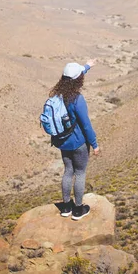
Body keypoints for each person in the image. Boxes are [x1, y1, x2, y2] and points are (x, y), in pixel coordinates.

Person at [49, 59, 99, 220]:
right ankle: (78, 209)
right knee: (80, 173)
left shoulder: (58, 95)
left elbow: (73, 76)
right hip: (78, 143)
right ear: (79, 80)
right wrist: (95, 144)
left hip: (63, 141)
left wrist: (87, 66)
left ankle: (66, 207)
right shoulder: (77, 99)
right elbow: (86, 125)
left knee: (68, 171)